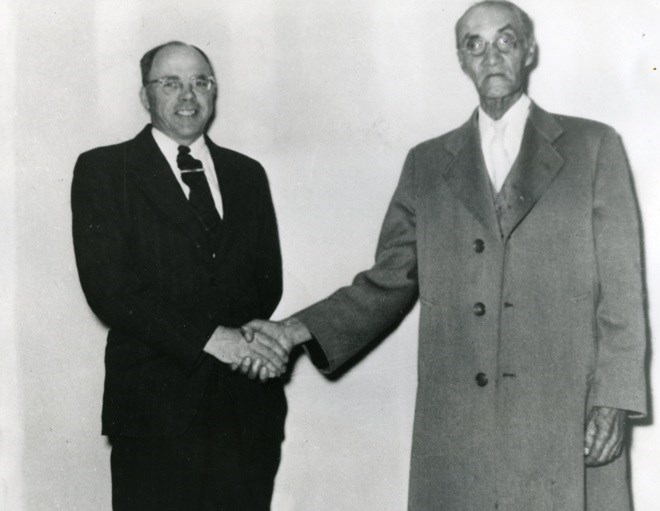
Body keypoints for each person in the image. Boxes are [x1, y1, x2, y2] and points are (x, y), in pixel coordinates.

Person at [241, 1, 648, 509]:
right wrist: (293, 330)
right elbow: (389, 279)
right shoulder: (427, 164)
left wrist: (613, 399)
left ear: (529, 51)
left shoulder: (593, 147)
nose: (491, 54)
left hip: (562, 420)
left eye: (505, 39)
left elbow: (622, 292)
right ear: (461, 59)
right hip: (460, 436)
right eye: (475, 44)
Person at [71, 41, 290, 510]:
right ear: (145, 95)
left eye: (200, 82)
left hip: (246, 409)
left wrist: (251, 347)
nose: (187, 95)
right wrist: (214, 338)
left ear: (215, 93)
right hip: (154, 412)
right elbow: (110, 289)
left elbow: (267, 283)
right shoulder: (105, 170)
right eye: (170, 82)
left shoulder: (247, 174)